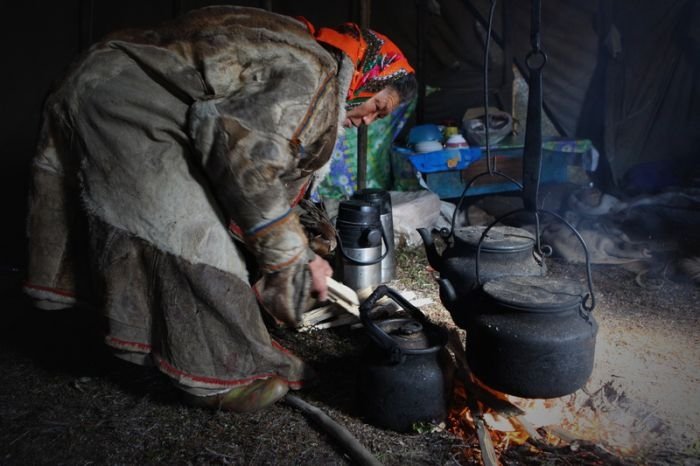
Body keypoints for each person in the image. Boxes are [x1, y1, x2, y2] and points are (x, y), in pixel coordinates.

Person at [24, 5, 416, 412]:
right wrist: (290, 259)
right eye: (378, 107)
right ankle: (222, 376)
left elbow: (247, 155)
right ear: (364, 78)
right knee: (194, 241)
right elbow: (241, 155)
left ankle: (93, 338)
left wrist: (285, 253)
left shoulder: (299, 51)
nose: (368, 120)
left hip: (99, 82)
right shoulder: (312, 74)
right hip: (120, 101)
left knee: (181, 221)